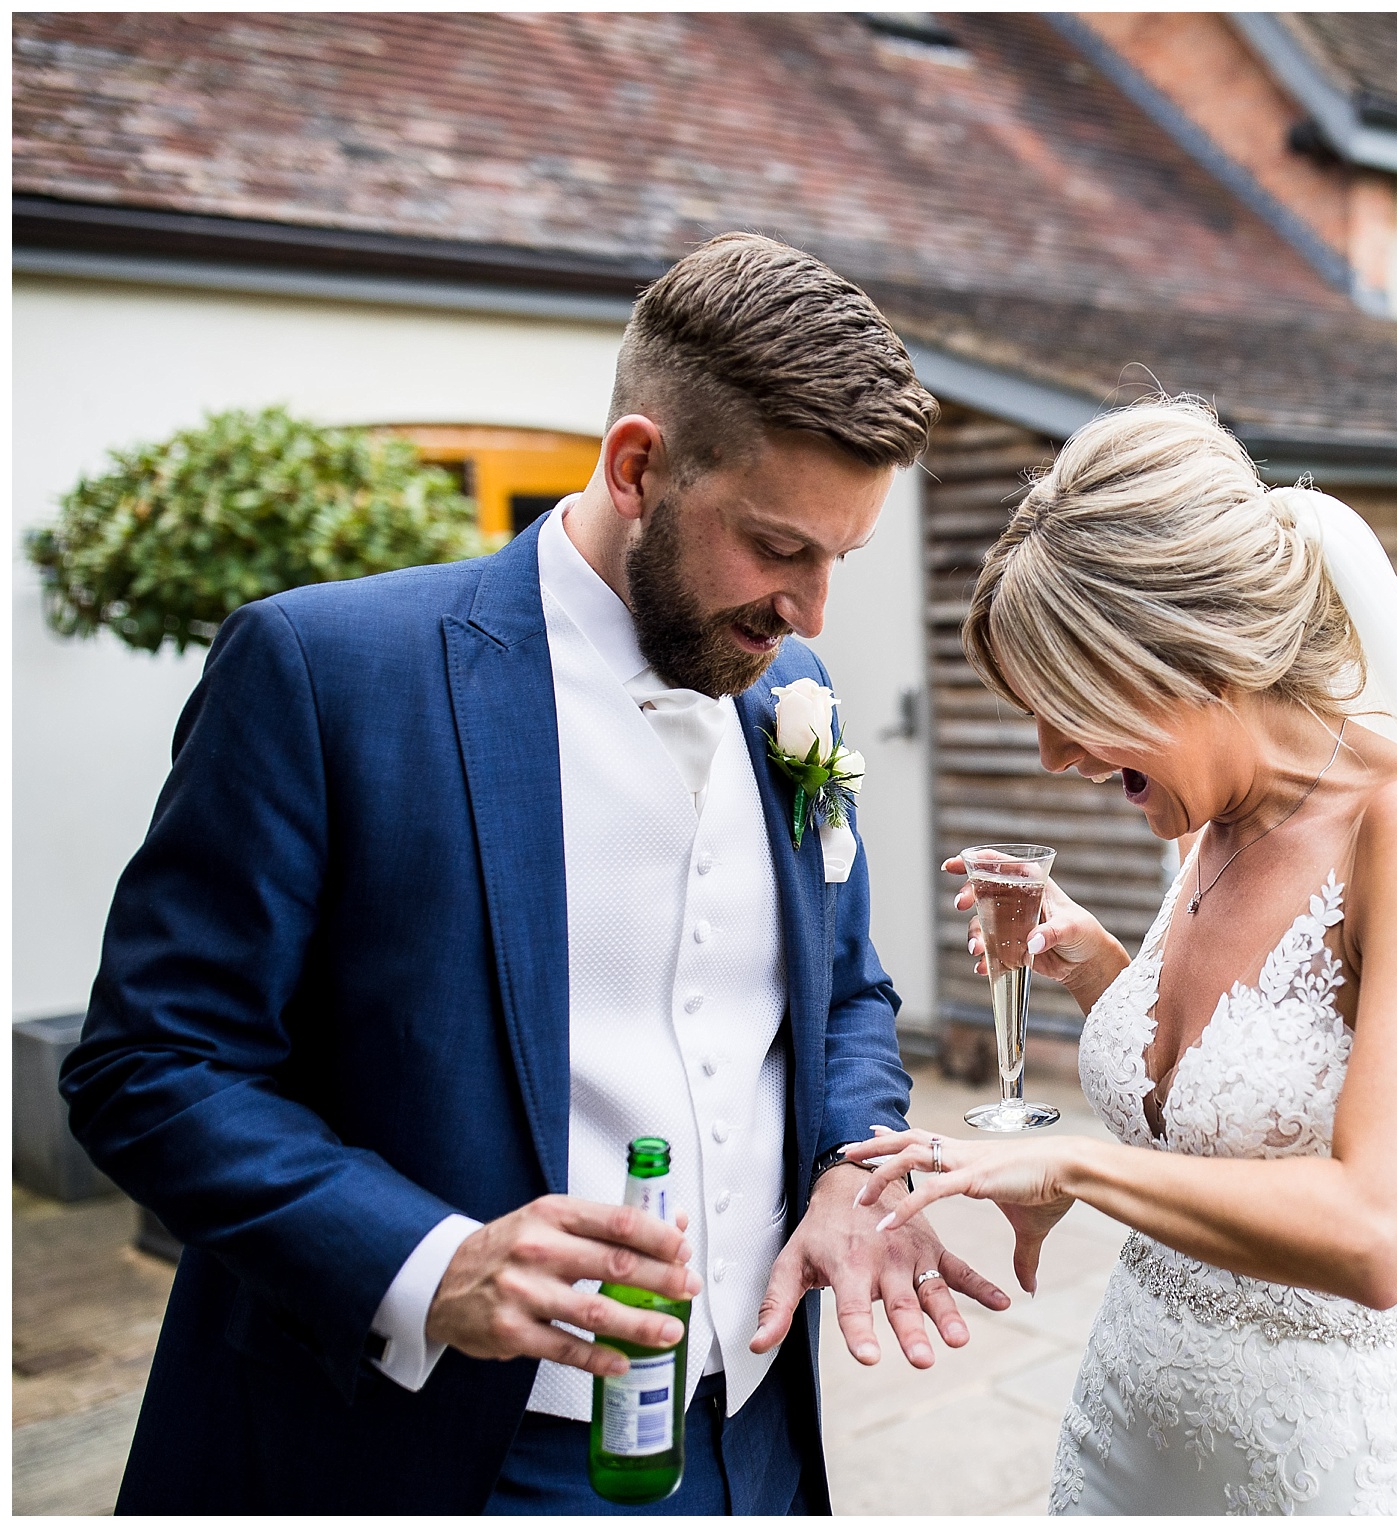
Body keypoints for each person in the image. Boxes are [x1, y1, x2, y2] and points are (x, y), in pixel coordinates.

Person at [62, 232, 1008, 1514]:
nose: (813, 610)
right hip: (444, 1452)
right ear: (637, 466)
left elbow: (843, 996)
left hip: (759, 1438)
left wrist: (850, 1163)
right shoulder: (326, 671)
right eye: (782, 546)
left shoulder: (793, 689)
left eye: (840, 556)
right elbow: (150, 1068)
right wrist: (432, 1265)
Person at [850, 397, 1397, 1514]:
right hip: (1124, 1442)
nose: (1053, 754)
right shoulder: (1206, 823)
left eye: (1068, 704)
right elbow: (1233, 1095)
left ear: (1188, 656)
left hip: (1328, 1473)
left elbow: (1382, 1232)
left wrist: (1075, 1166)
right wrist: (1100, 966)